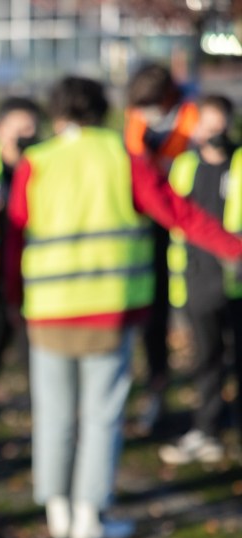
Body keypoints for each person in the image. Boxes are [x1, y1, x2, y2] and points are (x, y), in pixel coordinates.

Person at [6, 75, 242, 538]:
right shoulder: (123, 158)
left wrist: (14, 299)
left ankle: (57, 510)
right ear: (103, 111)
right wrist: (234, 247)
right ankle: (90, 516)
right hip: (109, 312)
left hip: (49, 311)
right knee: (102, 415)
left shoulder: (37, 161)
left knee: (53, 412)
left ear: (56, 114)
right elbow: (178, 213)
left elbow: (15, 236)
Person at [158, 94, 241, 465]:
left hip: (236, 279)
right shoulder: (184, 166)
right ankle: (207, 429)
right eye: (206, 124)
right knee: (206, 359)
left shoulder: (239, 163)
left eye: (219, 123)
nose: (213, 131)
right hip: (197, 278)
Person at [123, 62, 200, 434]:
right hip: (146, 232)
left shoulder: (195, 120)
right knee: (151, 321)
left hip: (185, 227)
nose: (146, 114)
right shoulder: (135, 119)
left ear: (168, 98)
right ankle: (156, 391)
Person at [0, 96, 42, 420]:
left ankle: (43, 417)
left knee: (35, 356)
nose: (26, 136)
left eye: (32, 129)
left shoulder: (44, 164)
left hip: (32, 275)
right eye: (19, 129)